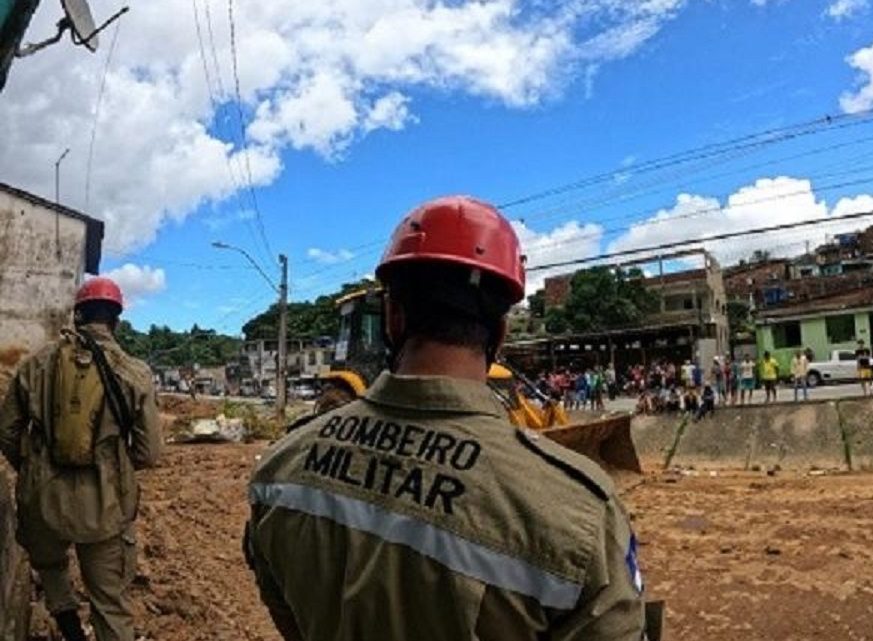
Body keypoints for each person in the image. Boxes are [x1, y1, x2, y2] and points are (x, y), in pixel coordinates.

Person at [245, 196, 647, 641]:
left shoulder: (280, 468)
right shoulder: (580, 515)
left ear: (395, 317)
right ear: (500, 333)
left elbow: (284, 608)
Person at [0, 278, 162, 641]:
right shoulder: (134, 372)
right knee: (109, 601)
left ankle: (70, 627)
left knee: (51, 565)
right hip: (104, 506)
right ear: (116, 320)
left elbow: (7, 431)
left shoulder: (34, 365)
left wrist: (29, 468)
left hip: (42, 498)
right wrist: (116, 467)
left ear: (78, 315)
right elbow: (150, 452)